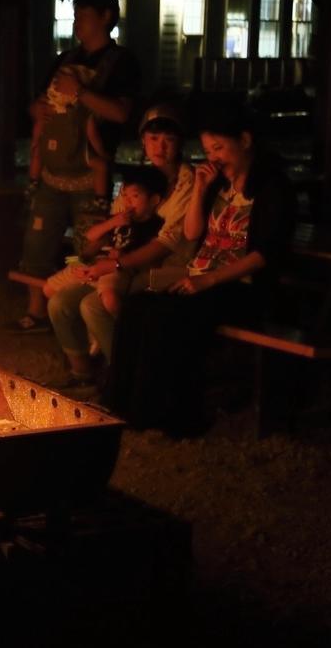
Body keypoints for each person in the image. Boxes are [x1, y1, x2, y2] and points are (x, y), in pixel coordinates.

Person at [104, 105, 296, 436]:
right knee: (137, 307)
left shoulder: (272, 187)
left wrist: (208, 280)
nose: (214, 157)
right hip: (201, 277)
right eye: (208, 150)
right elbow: (193, 234)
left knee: (169, 317)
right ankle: (124, 405)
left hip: (241, 286)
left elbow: (266, 253)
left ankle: (177, 416)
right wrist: (200, 190)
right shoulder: (218, 185)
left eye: (219, 148)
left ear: (245, 140)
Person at [14, 0, 140, 332]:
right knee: (37, 241)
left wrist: (81, 93)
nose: (77, 25)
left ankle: (85, 316)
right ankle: (35, 312)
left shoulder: (122, 64)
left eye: (83, 17)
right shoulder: (64, 60)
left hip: (91, 172)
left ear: (106, 17)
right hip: (53, 170)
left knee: (91, 246)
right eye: (75, 17)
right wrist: (37, 109)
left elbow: (121, 113)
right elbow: (36, 105)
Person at [47, 103, 196, 378]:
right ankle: (83, 372)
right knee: (59, 302)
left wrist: (115, 265)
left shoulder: (187, 182)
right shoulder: (140, 179)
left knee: (92, 305)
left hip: (162, 268)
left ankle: (126, 378)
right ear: (142, 141)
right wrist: (92, 255)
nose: (159, 147)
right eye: (153, 139)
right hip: (122, 261)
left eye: (168, 140)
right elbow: (115, 223)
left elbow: (166, 243)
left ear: (180, 143)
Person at [42, 166, 167, 318]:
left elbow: (150, 257)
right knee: (48, 288)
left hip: (118, 268)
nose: (128, 202)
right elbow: (90, 236)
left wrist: (121, 256)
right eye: (125, 196)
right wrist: (112, 222)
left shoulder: (154, 225)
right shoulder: (118, 218)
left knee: (110, 299)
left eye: (134, 196)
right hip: (94, 261)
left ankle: (125, 329)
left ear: (154, 200)